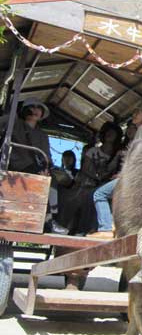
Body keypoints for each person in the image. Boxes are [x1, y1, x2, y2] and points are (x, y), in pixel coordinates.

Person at [0, 97, 67, 233]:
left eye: (39, 108)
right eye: (32, 107)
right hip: (14, 166)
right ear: (26, 110)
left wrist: (46, 169)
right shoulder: (15, 123)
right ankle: (48, 221)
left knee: (51, 179)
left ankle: (50, 217)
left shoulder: (42, 135)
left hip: (35, 168)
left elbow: (46, 157)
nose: (36, 110)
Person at [89, 103, 142, 239]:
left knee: (99, 194)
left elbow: (141, 155)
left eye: (138, 112)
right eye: (134, 112)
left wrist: (123, 174)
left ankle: (106, 229)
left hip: (135, 176)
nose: (134, 115)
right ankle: (113, 227)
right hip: (136, 176)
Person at [58, 121, 123, 236]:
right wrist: (96, 178)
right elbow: (86, 169)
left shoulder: (117, 154)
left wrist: (115, 158)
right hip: (89, 184)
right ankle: (81, 230)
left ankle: (101, 228)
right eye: (107, 132)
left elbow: (111, 171)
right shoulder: (93, 151)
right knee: (84, 197)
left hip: (106, 184)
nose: (109, 135)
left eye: (113, 133)